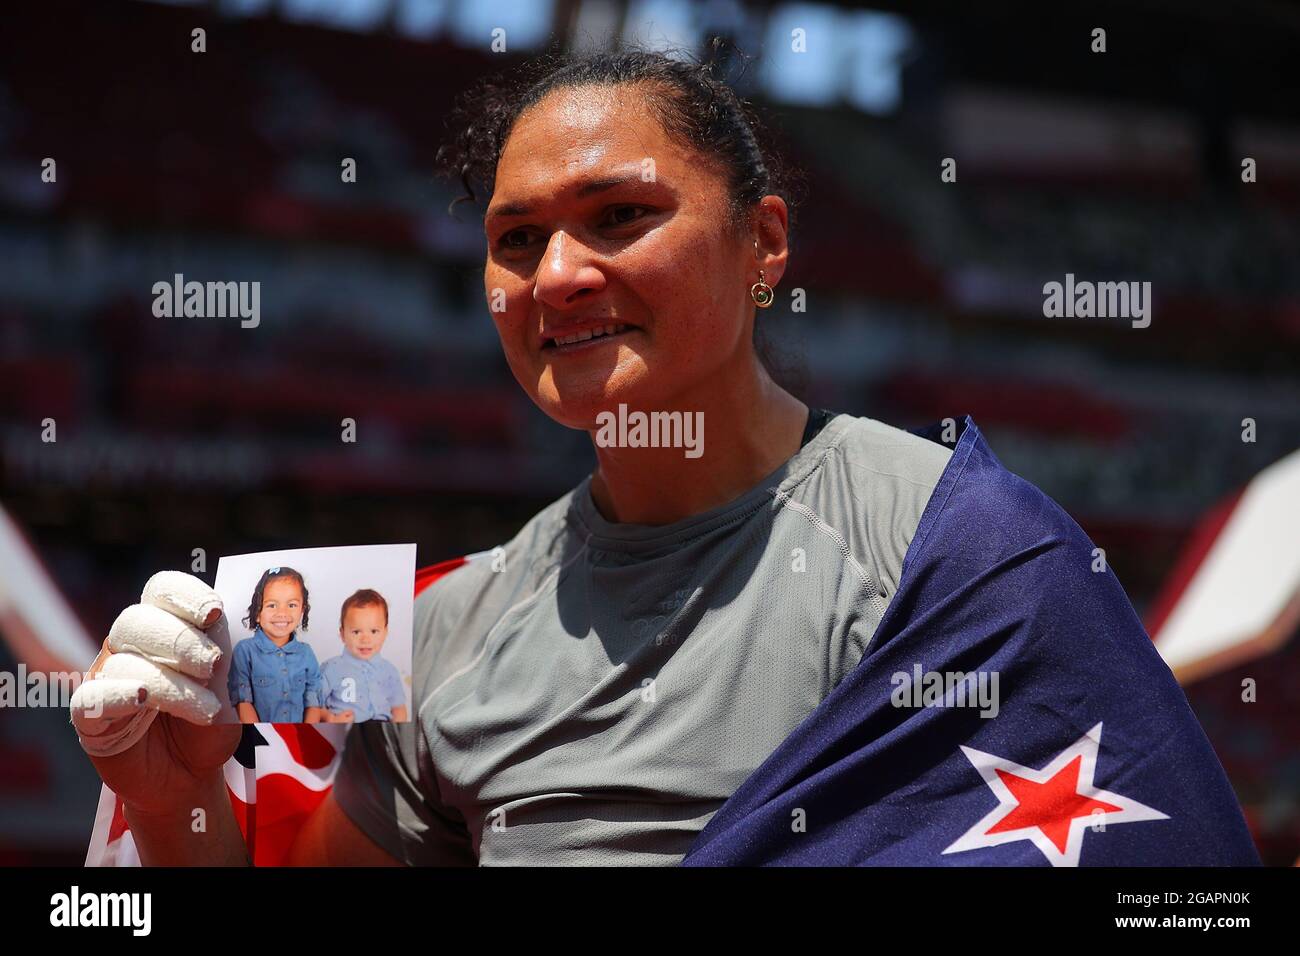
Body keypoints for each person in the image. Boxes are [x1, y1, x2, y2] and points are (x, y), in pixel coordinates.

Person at [68, 44, 1256, 867]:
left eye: (621, 215)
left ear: (764, 242)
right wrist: (176, 811)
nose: (559, 274)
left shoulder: (958, 553)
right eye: (515, 237)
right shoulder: (447, 629)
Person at [226, 567, 325, 724]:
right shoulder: (245, 651)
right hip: (261, 738)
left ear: (302, 611)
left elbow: (313, 701)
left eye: (291, 605)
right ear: (258, 612)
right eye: (272, 605)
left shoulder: (306, 653)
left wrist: (307, 734)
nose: (282, 613)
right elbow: (242, 701)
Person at [319, 589, 408, 724]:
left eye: (374, 631)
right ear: (343, 634)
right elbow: (313, 706)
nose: (365, 639)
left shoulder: (389, 670)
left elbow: (399, 708)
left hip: (381, 730)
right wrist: (331, 718)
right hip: (347, 729)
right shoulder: (331, 668)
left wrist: (397, 727)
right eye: (356, 632)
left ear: (385, 632)